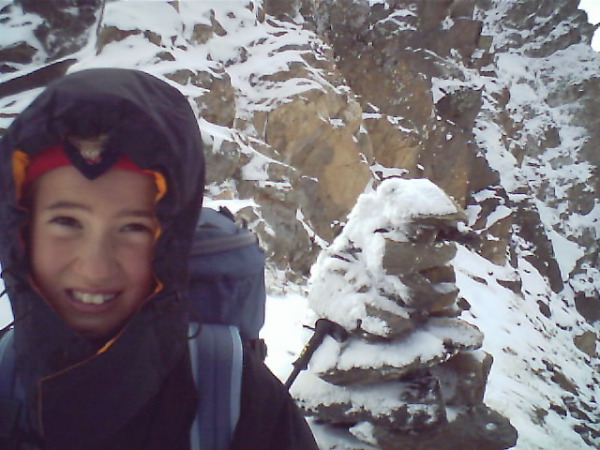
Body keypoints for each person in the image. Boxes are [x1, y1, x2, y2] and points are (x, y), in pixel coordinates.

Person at [0, 68, 318, 449]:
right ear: (22, 230)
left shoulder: (242, 401)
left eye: (132, 228)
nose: (94, 267)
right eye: (66, 222)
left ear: (172, 240)